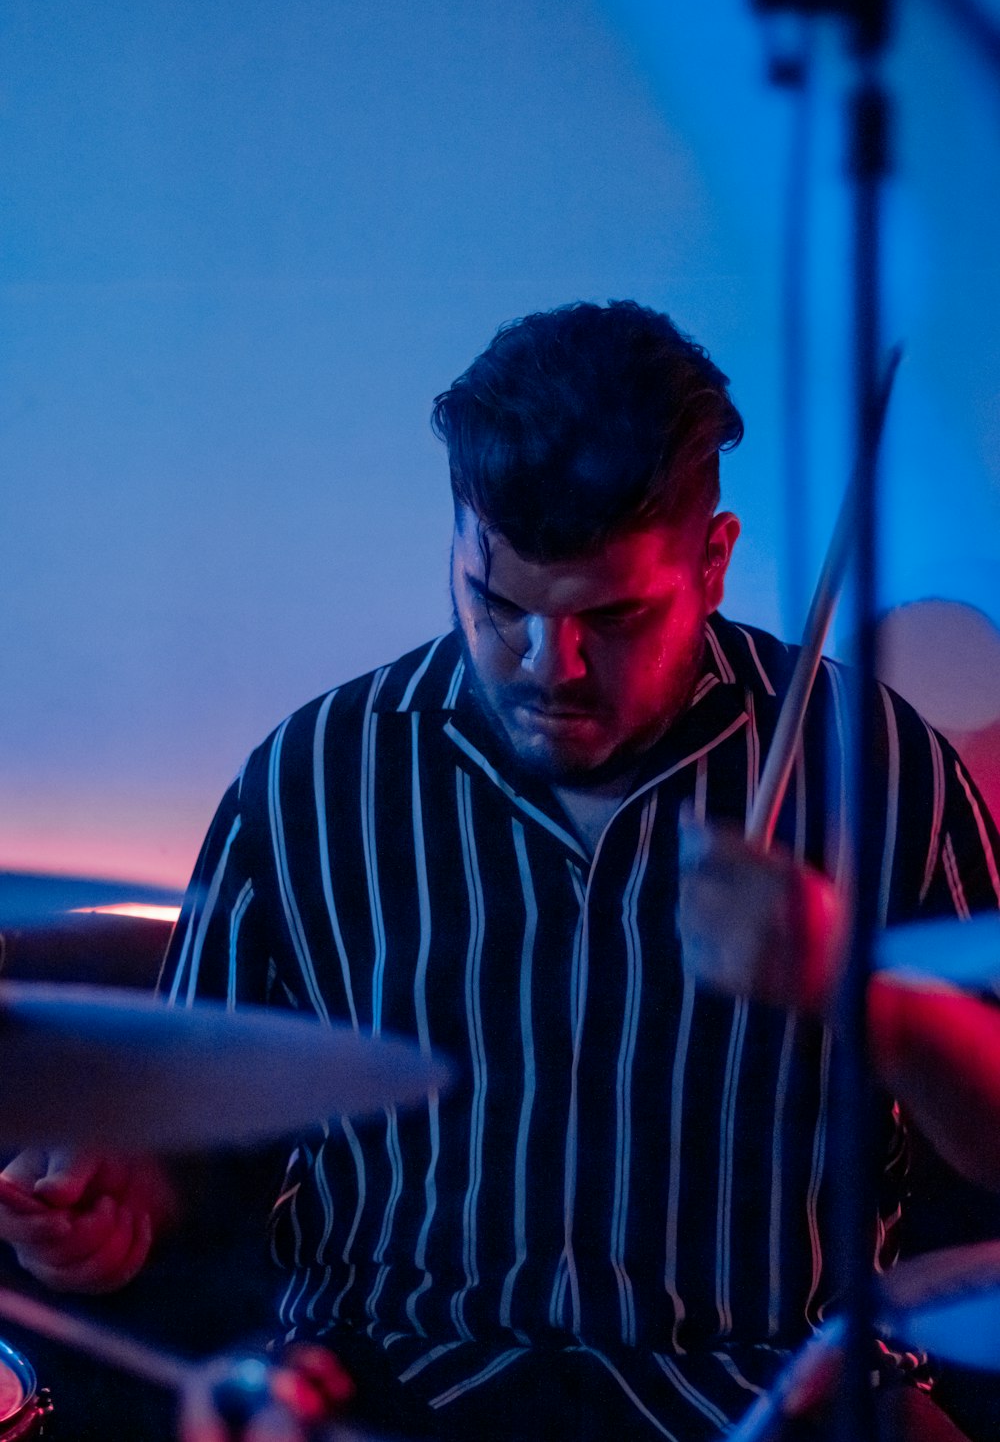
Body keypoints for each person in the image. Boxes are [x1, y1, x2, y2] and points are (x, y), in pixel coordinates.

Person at [3, 301, 1000, 1441]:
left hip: (767, 1387)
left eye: (613, 618)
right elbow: (192, 1145)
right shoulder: (313, 776)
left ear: (713, 561)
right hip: (394, 1382)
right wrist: (118, 1203)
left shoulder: (874, 770)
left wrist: (852, 991)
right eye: (497, 605)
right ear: (458, 543)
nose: (548, 666)